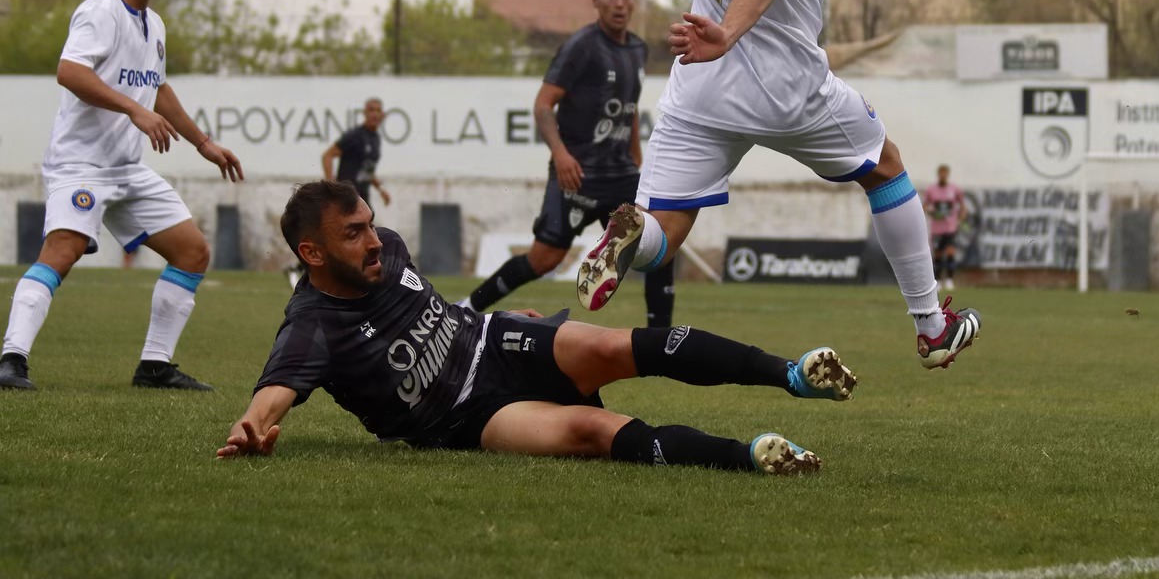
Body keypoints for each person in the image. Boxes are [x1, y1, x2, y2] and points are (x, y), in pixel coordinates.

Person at [576, 0, 982, 369]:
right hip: (786, 92)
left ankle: (630, 237)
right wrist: (729, 32)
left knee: (667, 231)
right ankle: (931, 327)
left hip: (699, 89)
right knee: (886, 167)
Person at [218, 180, 855, 476]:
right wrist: (251, 430)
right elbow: (274, 394)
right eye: (352, 234)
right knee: (589, 431)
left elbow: (431, 308)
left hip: (493, 339)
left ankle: (793, 375)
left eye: (370, 223)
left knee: (612, 345)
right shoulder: (311, 325)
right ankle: (754, 458)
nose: (373, 241)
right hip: (463, 416)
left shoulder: (388, 247)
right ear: (312, 254)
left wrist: (480, 319)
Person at [0, 0, 244, 392]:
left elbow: (158, 88)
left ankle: (154, 366)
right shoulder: (99, 11)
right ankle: (11, 359)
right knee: (64, 250)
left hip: (127, 170)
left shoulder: (155, 24)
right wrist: (135, 110)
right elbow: (69, 72)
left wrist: (204, 144)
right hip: (81, 165)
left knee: (192, 252)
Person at [464, 0, 675, 327]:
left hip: (621, 176)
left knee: (658, 242)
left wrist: (638, 165)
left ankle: (661, 338)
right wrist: (561, 155)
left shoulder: (638, 49)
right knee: (543, 260)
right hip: (577, 175)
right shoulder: (581, 46)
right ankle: (467, 308)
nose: (619, 3)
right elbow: (543, 105)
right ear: (595, 1)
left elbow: (629, 111)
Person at [321, 97, 390, 210]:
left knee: (369, 222)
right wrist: (330, 186)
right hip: (347, 196)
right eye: (371, 110)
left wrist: (381, 189)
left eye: (378, 111)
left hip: (363, 196)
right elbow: (327, 155)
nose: (375, 114)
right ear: (365, 113)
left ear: (382, 115)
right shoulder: (355, 136)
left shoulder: (375, 138)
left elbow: (367, 169)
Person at [923, 165, 965, 290]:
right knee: (938, 255)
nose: (943, 175)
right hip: (937, 229)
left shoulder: (954, 189)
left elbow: (962, 206)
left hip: (951, 227)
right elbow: (925, 206)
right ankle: (939, 281)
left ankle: (950, 280)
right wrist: (932, 213)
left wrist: (960, 219)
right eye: (941, 173)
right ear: (938, 174)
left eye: (945, 173)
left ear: (947, 174)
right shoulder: (931, 189)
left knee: (951, 252)